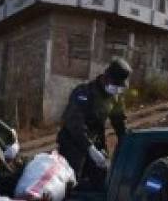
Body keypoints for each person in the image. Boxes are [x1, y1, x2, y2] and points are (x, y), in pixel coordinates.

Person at [56, 57, 131, 187]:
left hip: (95, 139)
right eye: (116, 85)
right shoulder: (84, 92)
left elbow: (119, 121)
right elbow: (75, 123)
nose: (117, 89)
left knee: (102, 176)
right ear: (106, 78)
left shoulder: (115, 97)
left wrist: (127, 142)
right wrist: (89, 148)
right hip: (73, 142)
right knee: (72, 180)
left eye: (120, 86)